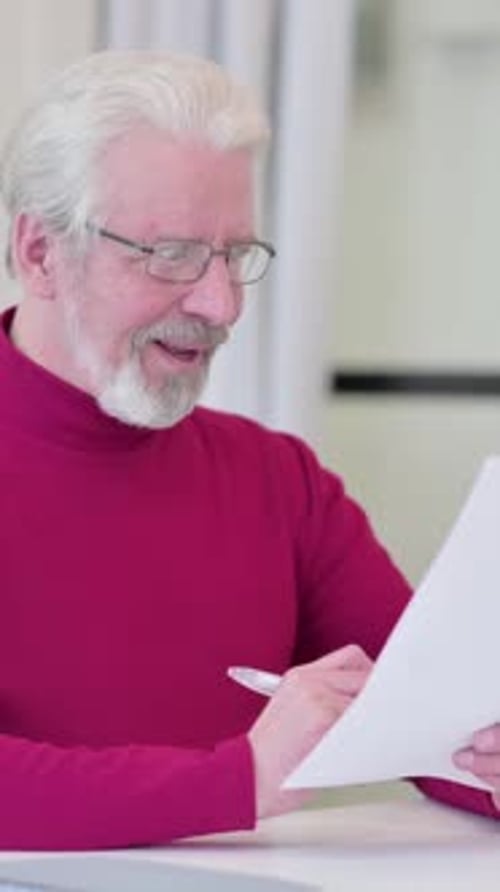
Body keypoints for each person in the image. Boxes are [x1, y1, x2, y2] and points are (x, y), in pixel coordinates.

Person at [0, 49, 498, 851]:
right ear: (39, 252)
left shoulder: (278, 481)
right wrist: (240, 780)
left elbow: (433, 725)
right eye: (171, 255)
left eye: (235, 255)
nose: (219, 302)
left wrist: (485, 754)